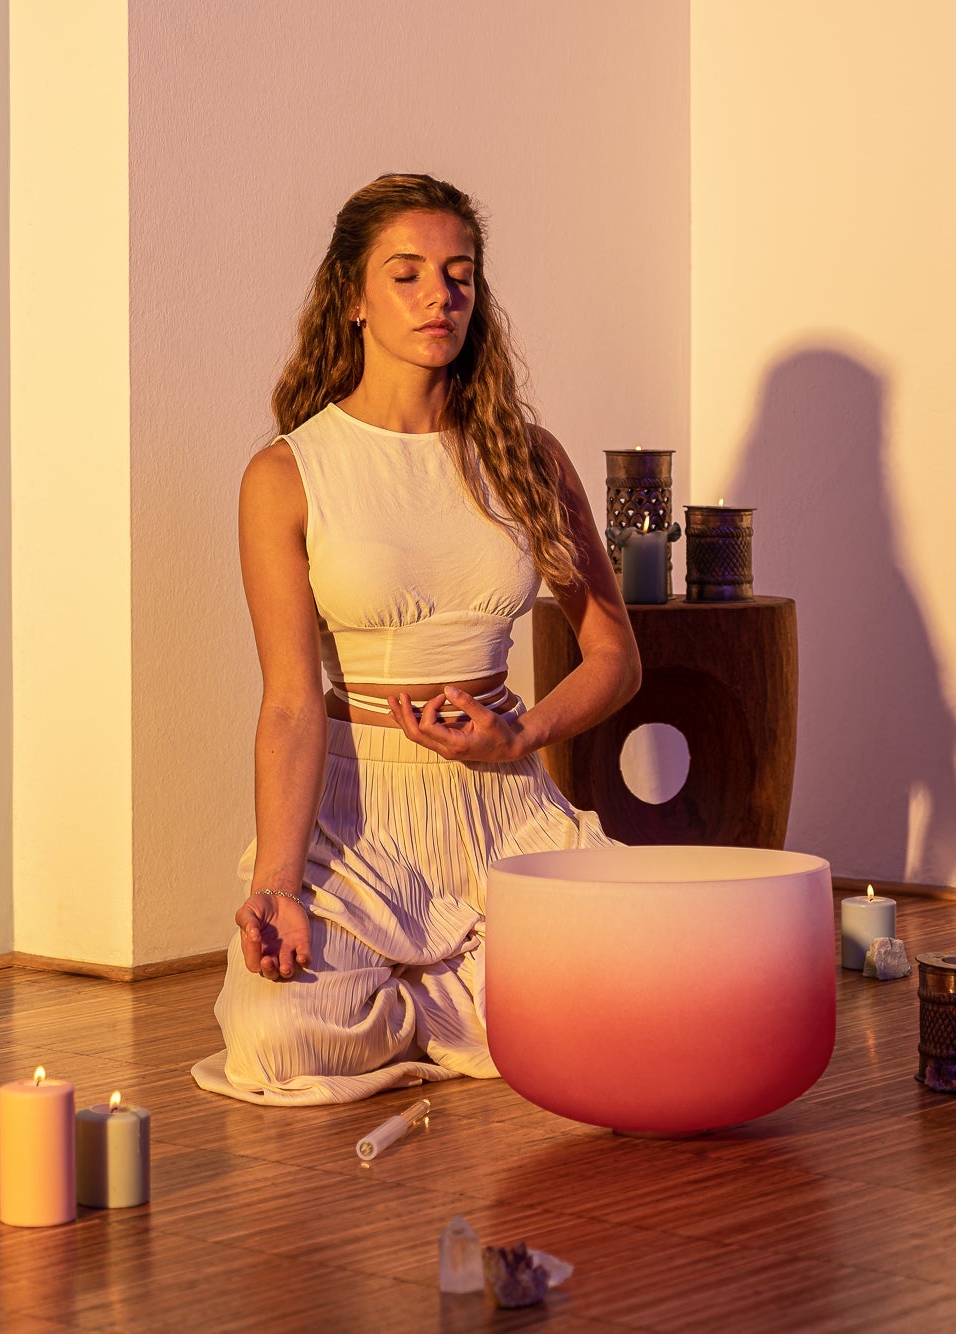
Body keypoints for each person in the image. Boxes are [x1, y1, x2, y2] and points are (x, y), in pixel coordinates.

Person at [190, 174, 639, 1105]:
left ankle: (433, 1004)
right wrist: (278, 887)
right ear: (352, 298)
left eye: (459, 274)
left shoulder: (528, 457)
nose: (440, 295)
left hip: (505, 809)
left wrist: (522, 735)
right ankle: (466, 1011)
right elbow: (290, 703)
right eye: (407, 275)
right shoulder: (286, 473)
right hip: (354, 818)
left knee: (640, 994)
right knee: (275, 1040)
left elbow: (614, 657)